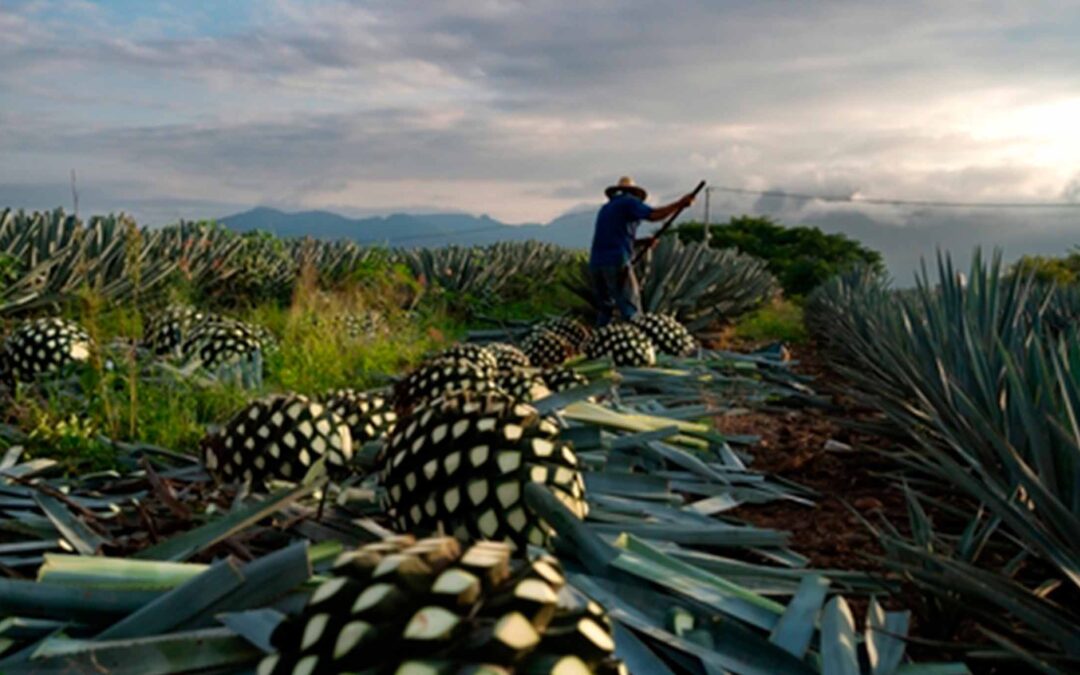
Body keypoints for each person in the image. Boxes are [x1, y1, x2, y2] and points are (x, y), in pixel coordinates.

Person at [589, 176, 696, 326]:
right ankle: (637, 341)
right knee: (630, 307)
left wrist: (642, 242)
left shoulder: (606, 208)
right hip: (616, 261)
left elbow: (613, 237)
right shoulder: (629, 202)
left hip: (596, 263)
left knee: (606, 308)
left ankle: (598, 342)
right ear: (634, 193)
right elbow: (653, 215)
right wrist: (680, 204)